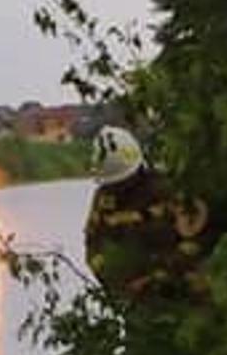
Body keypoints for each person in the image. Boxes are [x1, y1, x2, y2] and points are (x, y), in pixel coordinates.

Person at [84, 126, 212, 298]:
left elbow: (196, 242)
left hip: (181, 292)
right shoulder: (105, 198)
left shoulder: (169, 190)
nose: (117, 187)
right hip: (134, 299)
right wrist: (111, 279)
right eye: (113, 183)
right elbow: (93, 239)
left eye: (122, 181)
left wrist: (156, 279)